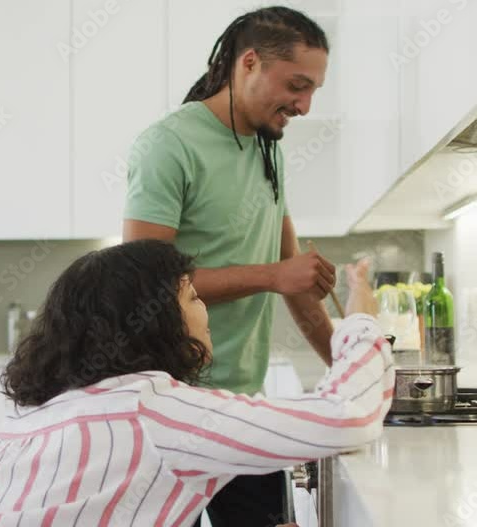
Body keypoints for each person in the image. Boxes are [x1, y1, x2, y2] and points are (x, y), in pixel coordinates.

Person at [0, 239, 394, 527]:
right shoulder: (152, 406)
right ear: (154, 322)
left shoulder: (41, 410)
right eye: (192, 297)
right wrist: (360, 317)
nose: (205, 311)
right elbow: (348, 416)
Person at [122, 7, 336, 523]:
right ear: (249, 63)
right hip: (171, 408)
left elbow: (294, 274)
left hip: (241, 405)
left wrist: (351, 369)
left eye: (314, 91)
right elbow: (142, 285)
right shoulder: (168, 145)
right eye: (296, 85)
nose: (305, 105)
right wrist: (273, 276)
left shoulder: (269, 147)